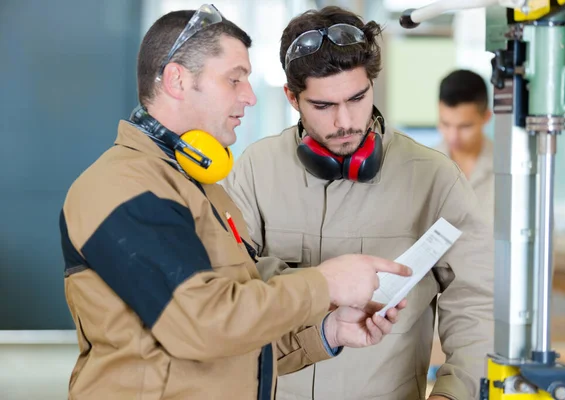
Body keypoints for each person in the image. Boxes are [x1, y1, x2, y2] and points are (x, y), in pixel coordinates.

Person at [58, 5, 412, 399]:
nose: (249, 96)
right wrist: (325, 282)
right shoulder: (122, 186)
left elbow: (234, 344)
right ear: (177, 80)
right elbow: (202, 326)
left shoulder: (200, 188)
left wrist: (328, 332)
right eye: (234, 80)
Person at [222, 6, 494, 400]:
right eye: (323, 106)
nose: (345, 121)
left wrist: (454, 392)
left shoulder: (435, 177)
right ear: (292, 98)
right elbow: (227, 289)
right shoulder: (254, 170)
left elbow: (476, 301)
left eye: (357, 97)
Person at [435, 69, 494, 223]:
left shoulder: (510, 168)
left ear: (486, 117)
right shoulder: (423, 166)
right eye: (445, 124)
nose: (453, 137)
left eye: (465, 126)